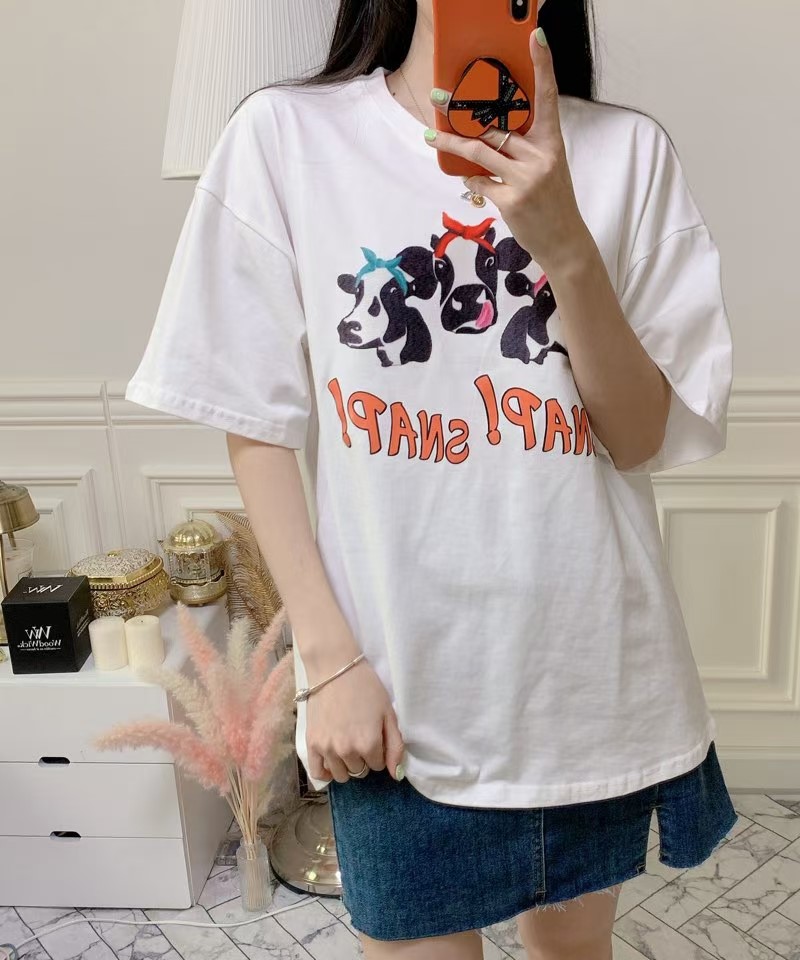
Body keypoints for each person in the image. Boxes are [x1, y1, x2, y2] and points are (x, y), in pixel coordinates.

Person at [125, 0, 738, 955]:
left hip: (585, 684)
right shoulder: (287, 139)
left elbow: (638, 436)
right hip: (394, 695)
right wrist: (329, 664)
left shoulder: (626, 152)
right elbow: (255, 424)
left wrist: (566, 246)